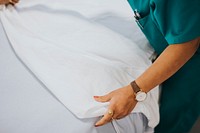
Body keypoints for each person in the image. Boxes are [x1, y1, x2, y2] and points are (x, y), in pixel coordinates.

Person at [94, 0, 200, 133]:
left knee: (171, 121)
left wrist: (133, 92)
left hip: (192, 63)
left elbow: (186, 44)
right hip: (174, 42)